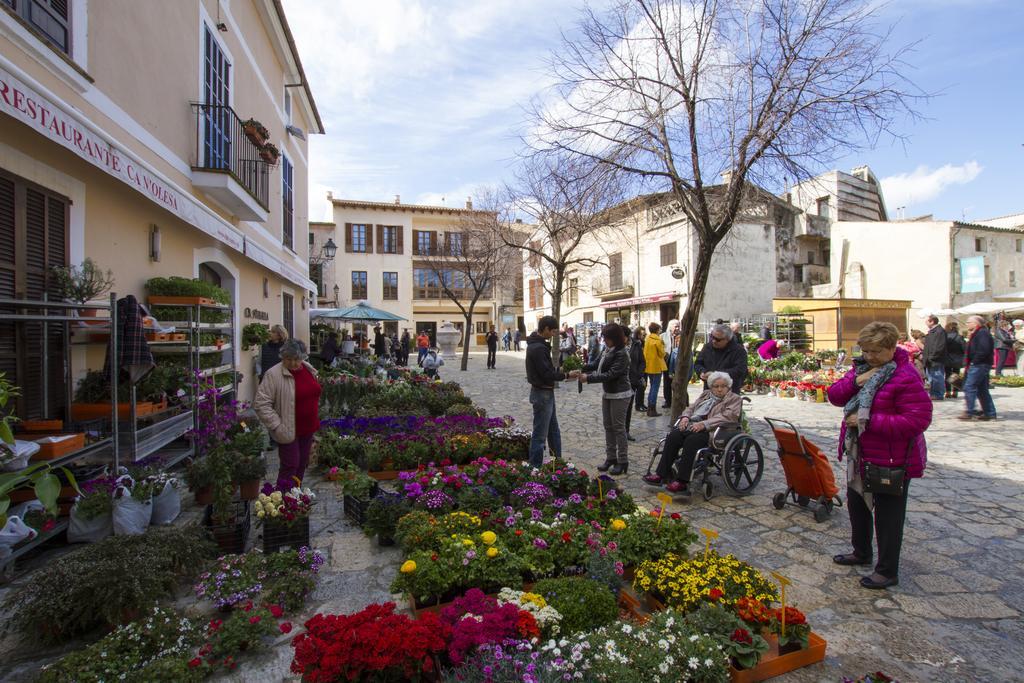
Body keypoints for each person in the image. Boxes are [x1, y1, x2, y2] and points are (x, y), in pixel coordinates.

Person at [827, 322, 932, 590]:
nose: (869, 357)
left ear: (890, 348)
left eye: (875, 351)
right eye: (866, 351)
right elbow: (835, 396)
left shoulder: (904, 376)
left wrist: (868, 421)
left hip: (892, 458)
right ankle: (861, 551)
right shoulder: (862, 369)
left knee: (888, 516)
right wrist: (856, 380)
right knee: (857, 504)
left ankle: (887, 570)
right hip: (860, 454)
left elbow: (916, 421)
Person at [643, 371, 741, 493]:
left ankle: (682, 481)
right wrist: (685, 418)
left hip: (715, 432)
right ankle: (661, 474)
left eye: (723, 386)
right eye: (716, 386)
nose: (720, 389)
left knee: (692, 441)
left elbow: (727, 417)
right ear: (711, 387)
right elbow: (691, 408)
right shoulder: (706, 394)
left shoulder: (734, 399)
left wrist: (704, 424)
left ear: (728, 386)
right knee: (674, 435)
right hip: (694, 426)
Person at [254, 339, 322, 491]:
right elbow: (261, 404)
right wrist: (277, 426)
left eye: (296, 359)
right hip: (287, 429)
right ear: (282, 357)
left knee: (302, 464)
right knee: (290, 465)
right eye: (288, 359)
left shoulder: (308, 368)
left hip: (307, 428)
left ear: (303, 357)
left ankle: (296, 497)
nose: (292, 363)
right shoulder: (273, 374)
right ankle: (283, 500)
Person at [580, 323, 632, 475]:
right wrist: (581, 367)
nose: (605, 341)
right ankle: (611, 458)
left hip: (620, 394)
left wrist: (588, 378)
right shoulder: (607, 349)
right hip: (608, 393)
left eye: (607, 338)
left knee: (618, 428)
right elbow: (596, 364)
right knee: (608, 426)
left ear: (615, 338)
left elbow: (611, 374)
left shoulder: (622, 353)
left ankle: (623, 460)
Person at [525, 315, 577, 467]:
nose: (554, 334)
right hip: (542, 394)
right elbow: (546, 375)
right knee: (540, 434)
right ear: (546, 329)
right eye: (553, 331)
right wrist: (566, 375)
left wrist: (559, 369)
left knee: (553, 430)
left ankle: (557, 463)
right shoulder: (538, 348)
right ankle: (535, 468)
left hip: (545, 392)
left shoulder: (537, 344)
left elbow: (545, 370)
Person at [693, 324, 747, 394]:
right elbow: (698, 363)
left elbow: (740, 370)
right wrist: (701, 372)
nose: (714, 341)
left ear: (728, 339)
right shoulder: (707, 347)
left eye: (718, 339)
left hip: (730, 392)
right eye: (712, 337)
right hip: (709, 391)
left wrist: (716, 374)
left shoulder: (738, 351)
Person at [960, 315, 996, 420]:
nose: (967, 324)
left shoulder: (982, 333)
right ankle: (989, 413)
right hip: (979, 364)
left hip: (979, 364)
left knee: (969, 387)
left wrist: (974, 362)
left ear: (976, 324)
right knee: (982, 389)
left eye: (968, 322)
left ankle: (969, 411)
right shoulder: (978, 333)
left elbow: (984, 349)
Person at [643, 322, 667, 417]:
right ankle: (652, 409)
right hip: (657, 366)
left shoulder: (648, 339)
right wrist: (664, 349)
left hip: (649, 366)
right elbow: (661, 354)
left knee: (652, 387)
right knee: (655, 388)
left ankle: (650, 408)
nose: (661, 331)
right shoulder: (658, 340)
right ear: (657, 330)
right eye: (660, 329)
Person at [921, 315, 947, 400]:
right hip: (930, 360)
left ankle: (938, 394)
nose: (925, 323)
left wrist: (932, 357)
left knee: (937, 377)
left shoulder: (939, 331)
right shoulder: (932, 332)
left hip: (935, 360)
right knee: (932, 378)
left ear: (932, 321)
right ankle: (933, 393)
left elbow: (939, 346)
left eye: (926, 321)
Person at [944, 321, 965, 399]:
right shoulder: (959, 337)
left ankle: (948, 392)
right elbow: (964, 348)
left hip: (947, 358)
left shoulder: (945, 336)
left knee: (947, 375)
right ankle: (955, 392)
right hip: (957, 358)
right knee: (956, 375)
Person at [660, 320, 679, 409]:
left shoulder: (682, 336)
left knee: (679, 381)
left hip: (678, 362)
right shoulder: (663, 336)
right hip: (667, 362)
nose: (677, 328)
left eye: (678, 326)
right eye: (676, 326)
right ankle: (668, 401)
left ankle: (679, 400)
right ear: (670, 326)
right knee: (667, 382)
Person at [629, 327, 647, 413]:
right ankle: (638, 405)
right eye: (643, 335)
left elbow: (642, 360)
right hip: (633, 372)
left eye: (645, 334)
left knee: (642, 387)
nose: (644, 336)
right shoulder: (635, 344)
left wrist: (640, 372)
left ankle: (640, 404)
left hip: (641, 370)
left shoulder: (641, 344)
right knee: (636, 389)